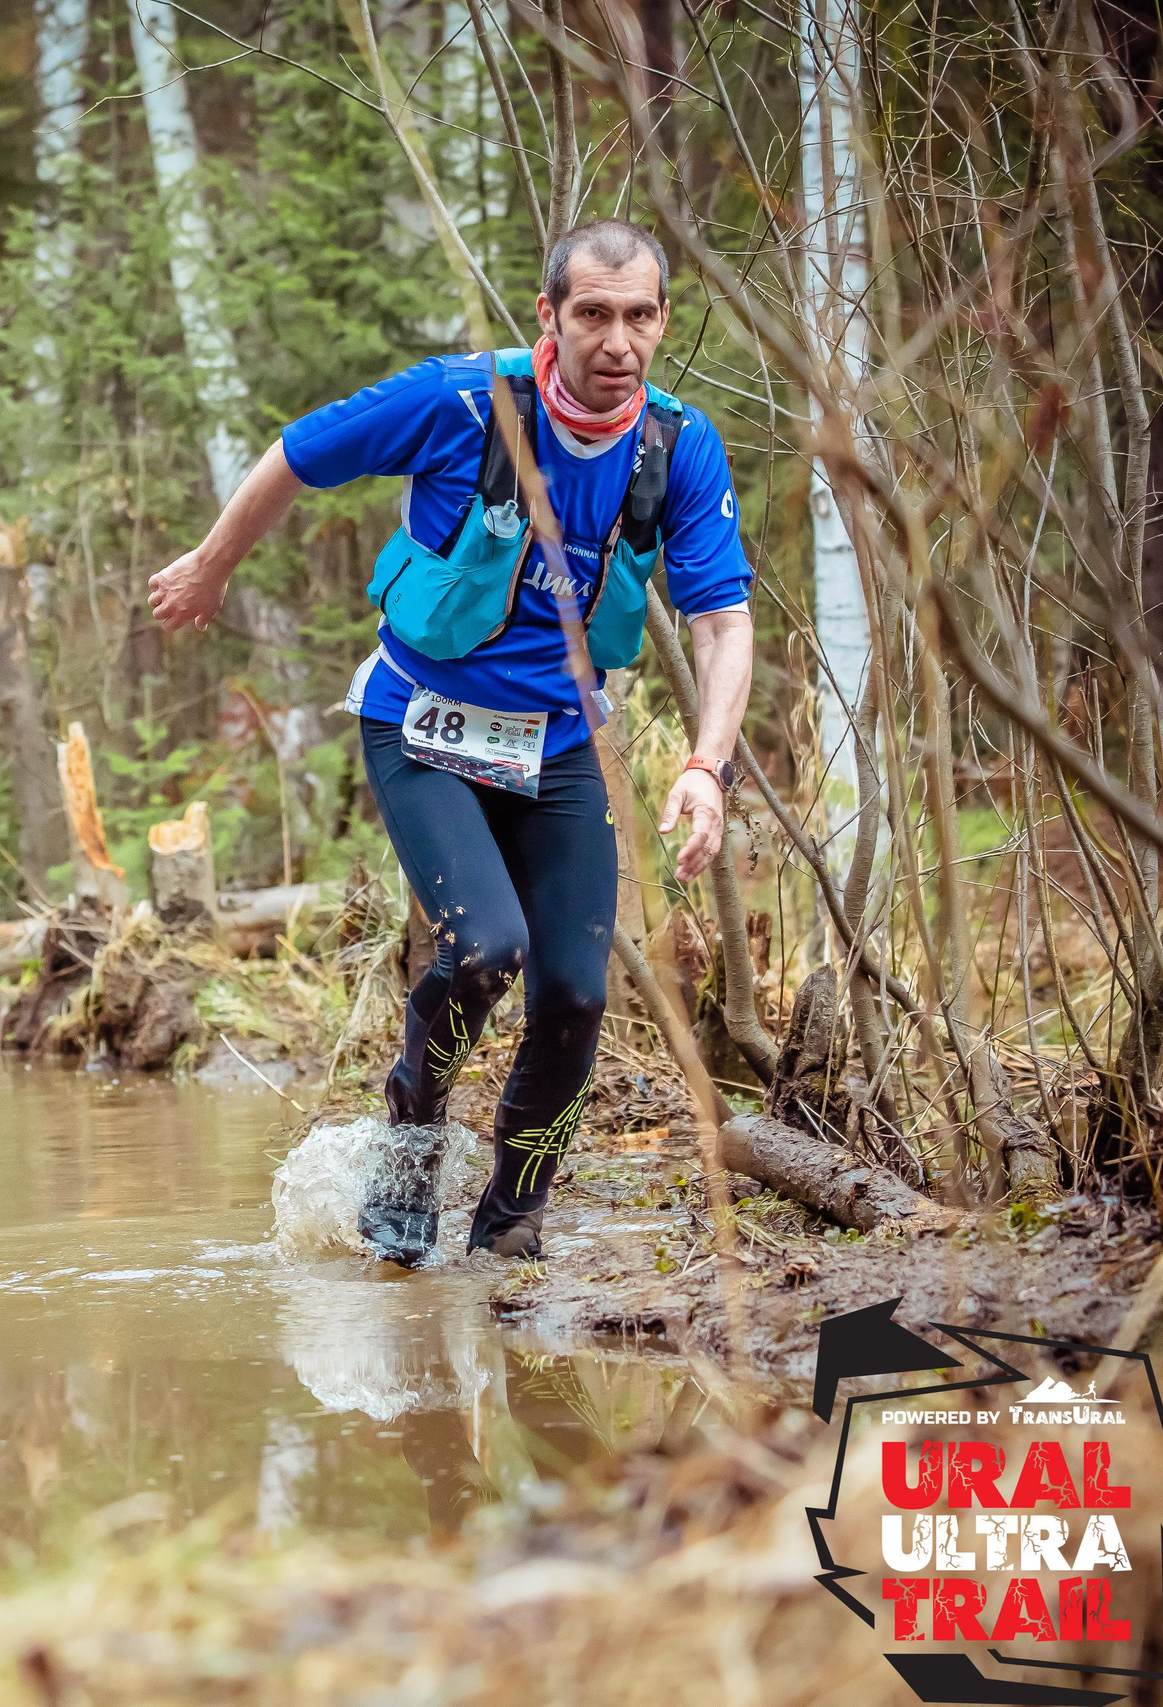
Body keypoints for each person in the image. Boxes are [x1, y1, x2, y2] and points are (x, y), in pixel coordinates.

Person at [146, 219, 754, 1263]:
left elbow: (720, 619)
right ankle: (409, 1139)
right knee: (485, 951)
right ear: (548, 316)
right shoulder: (460, 402)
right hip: (421, 728)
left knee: (573, 991)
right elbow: (296, 453)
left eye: (639, 316)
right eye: (593, 314)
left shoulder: (675, 445)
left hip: (559, 746)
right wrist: (209, 566)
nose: (617, 342)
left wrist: (705, 764)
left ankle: (510, 1231)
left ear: (661, 321)